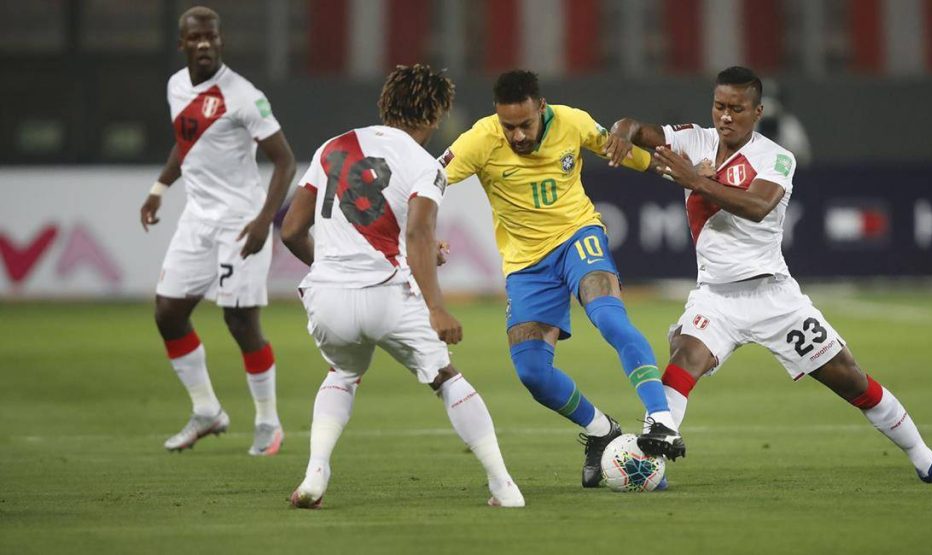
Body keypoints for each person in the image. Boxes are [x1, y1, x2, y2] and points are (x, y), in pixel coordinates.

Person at [605, 66, 932, 485]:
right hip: (715, 296)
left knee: (850, 379)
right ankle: (649, 463)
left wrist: (695, 179)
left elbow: (756, 206)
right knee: (683, 361)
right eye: (719, 106)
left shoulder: (776, 158)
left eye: (736, 108)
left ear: (757, 111)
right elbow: (638, 129)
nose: (725, 116)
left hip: (774, 297)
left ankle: (926, 461)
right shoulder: (695, 140)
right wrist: (623, 131)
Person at [281, 64, 524, 509]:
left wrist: (340, 267)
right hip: (388, 296)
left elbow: (292, 231)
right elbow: (416, 235)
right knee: (447, 378)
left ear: (385, 104)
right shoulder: (426, 165)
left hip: (328, 298)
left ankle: (315, 474)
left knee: (342, 373)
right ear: (435, 116)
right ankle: (504, 486)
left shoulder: (331, 148)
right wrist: (437, 307)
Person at [439, 70, 685, 489]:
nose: (517, 136)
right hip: (525, 264)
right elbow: (428, 179)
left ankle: (660, 421)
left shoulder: (572, 121)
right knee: (533, 372)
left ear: (542, 107)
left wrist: (685, 176)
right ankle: (600, 430)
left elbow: (627, 152)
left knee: (609, 318)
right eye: (508, 126)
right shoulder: (479, 139)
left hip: (577, 236)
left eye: (525, 125)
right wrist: (422, 230)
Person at [139, 6, 296, 456]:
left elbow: (285, 160)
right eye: (195, 38)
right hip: (197, 218)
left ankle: (269, 421)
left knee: (239, 319)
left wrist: (265, 220)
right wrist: (160, 187)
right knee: (168, 313)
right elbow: (187, 141)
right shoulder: (176, 86)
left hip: (240, 220)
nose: (204, 44)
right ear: (182, 44)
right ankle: (207, 410)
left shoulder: (244, 96)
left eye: (211, 37)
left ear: (220, 41)